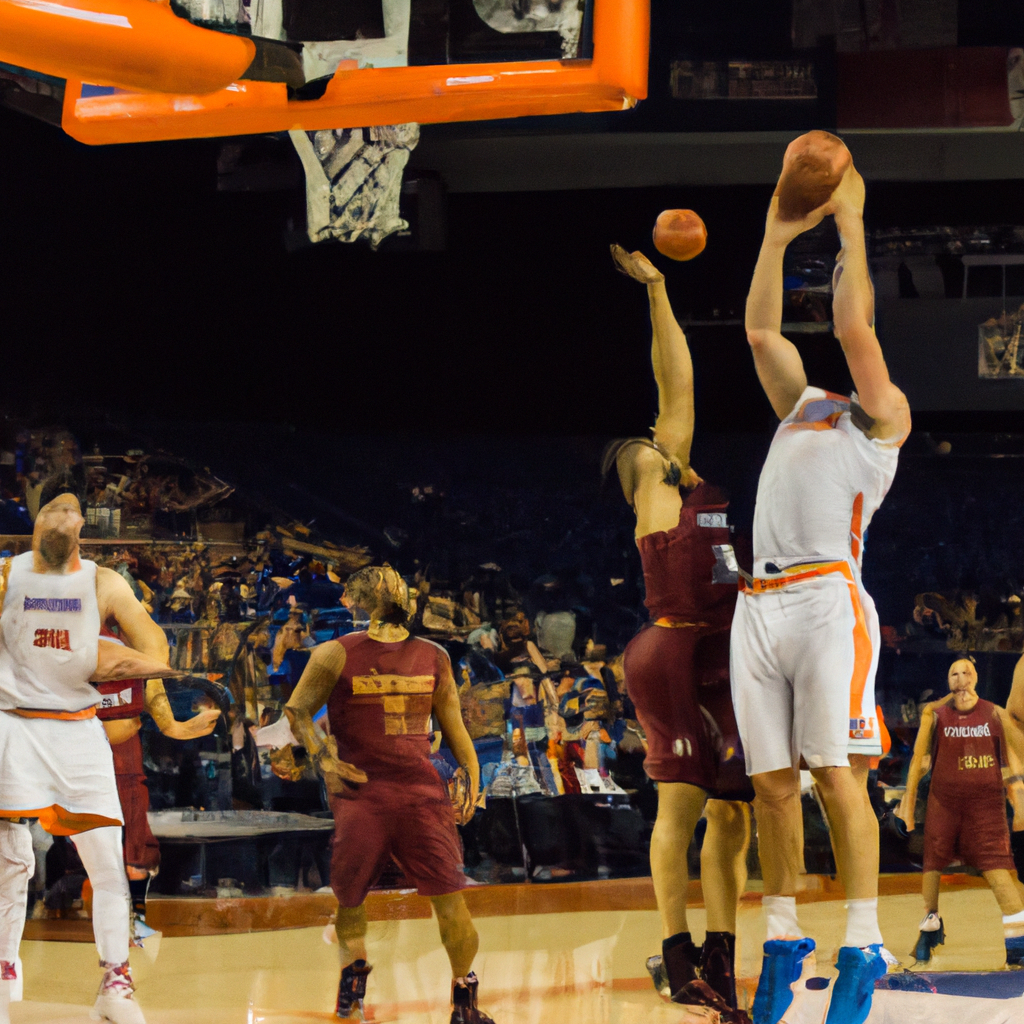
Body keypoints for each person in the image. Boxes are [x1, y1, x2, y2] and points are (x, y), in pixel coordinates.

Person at [732, 139, 911, 1024]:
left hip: (826, 601)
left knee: (838, 777)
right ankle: (782, 932)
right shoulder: (801, 406)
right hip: (755, 605)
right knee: (772, 783)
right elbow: (763, 330)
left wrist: (850, 221)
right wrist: (774, 234)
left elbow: (852, 327)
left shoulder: (883, 421)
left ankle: (866, 936)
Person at [606, 243, 752, 1021]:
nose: (658, 440)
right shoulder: (654, 489)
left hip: (729, 651)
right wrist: (658, 293)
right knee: (682, 805)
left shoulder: (703, 490)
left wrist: (661, 288)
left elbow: (681, 392)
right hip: (671, 649)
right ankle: (674, 952)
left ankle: (722, 958)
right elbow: (676, 382)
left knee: (735, 811)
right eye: (649, 443)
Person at [255, 564, 495, 1024]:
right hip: (361, 792)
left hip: (421, 792)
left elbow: (454, 724)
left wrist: (473, 774)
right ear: (364, 598)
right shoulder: (334, 653)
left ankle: (465, 1004)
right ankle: (352, 993)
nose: (396, 588)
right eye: (387, 584)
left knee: (451, 898)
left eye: (399, 582)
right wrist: (323, 756)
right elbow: (297, 711)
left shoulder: (434, 656)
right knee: (350, 899)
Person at [0, 491, 182, 1024]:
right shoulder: (7, 576)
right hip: (13, 726)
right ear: (33, 528)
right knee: (12, 864)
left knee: (107, 864)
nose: (60, 516)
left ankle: (115, 983)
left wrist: (132, 680)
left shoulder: (104, 582)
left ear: (82, 529)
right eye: (50, 510)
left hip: (79, 734)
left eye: (69, 510)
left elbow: (153, 648)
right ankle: (6, 969)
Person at [896, 657, 1024, 966]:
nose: (961, 678)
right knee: (933, 867)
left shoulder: (995, 713)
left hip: (985, 806)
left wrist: (1018, 803)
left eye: (966, 672)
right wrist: (908, 802)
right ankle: (930, 927)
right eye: (954, 673)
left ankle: (1018, 947)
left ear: (976, 677)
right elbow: (919, 762)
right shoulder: (936, 715)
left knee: (999, 872)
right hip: (946, 803)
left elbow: (1013, 763)